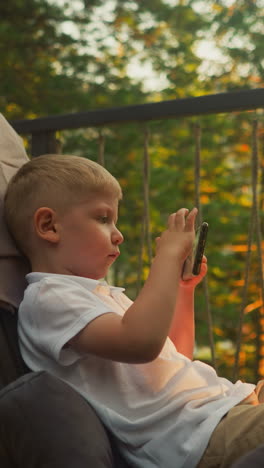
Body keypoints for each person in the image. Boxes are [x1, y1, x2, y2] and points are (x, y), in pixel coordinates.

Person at [3, 153, 264, 468]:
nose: (118, 234)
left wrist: (182, 291)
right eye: (103, 218)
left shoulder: (100, 295)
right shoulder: (49, 298)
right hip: (198, 437)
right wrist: (166, 259)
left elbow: (170, 355)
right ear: (49, 226)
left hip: (225, 408)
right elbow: (141, 343)